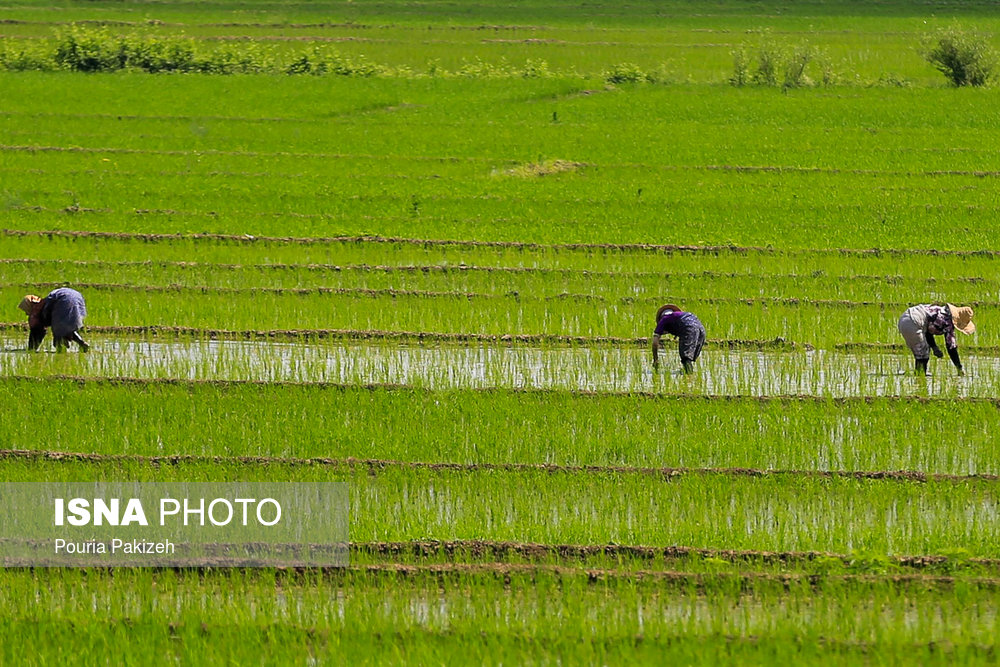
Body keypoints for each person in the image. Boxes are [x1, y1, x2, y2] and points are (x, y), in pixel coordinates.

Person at [897, 303, 974, 376]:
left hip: (905, 318)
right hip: (913, 322)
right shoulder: (947, 322)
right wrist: (959, 368)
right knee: (923, 352)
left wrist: (934, 348)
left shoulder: (940, 310)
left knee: (923, 350)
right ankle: (920, 376)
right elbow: (951, 347)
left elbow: (928, 331)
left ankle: (919, 373)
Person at [17, 288, 90, 352]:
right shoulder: (45, 303)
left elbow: (38, 329)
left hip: (64, 300)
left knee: (58, 341)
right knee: (67, 326)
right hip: (77, 298)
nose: (27, 314)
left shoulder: (39, 311)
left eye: (26, 310)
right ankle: (82, 343)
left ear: (30, 306)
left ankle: (62, 355)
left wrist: (31, 349)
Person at [651, 304, 706, 373]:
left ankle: (690, 378)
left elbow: (655, 343)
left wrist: (655, 359)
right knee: (689, 357)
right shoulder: (681, 316)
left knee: (686, 358)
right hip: (701, 329)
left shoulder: (664, 319)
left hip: (689, 329)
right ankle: (687, 372)